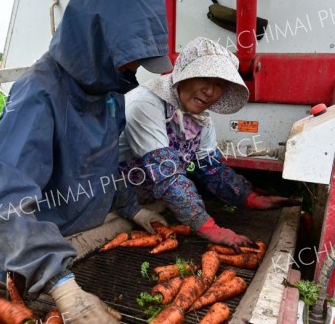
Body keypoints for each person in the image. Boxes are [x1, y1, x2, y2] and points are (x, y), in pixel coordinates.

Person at [0, 0, 171, 324]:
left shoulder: (110, 95)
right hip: (36, 267)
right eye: (129, 55)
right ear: (96, 41)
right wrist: (62, 286)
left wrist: (133, 209)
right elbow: (6, 206)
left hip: (84, 252)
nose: (135, 67)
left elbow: (105, 168)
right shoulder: (39, 93)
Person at [119, 36, 298, 247]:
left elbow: (210, 167)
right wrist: (208, 228)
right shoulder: (146, 104)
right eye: (205, 78)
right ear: (184, 74)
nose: (210, 91)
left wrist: (247, 197)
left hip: (151, 204)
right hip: (113, 201)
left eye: (219, 85)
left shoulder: (201, 119)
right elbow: (167, 175)